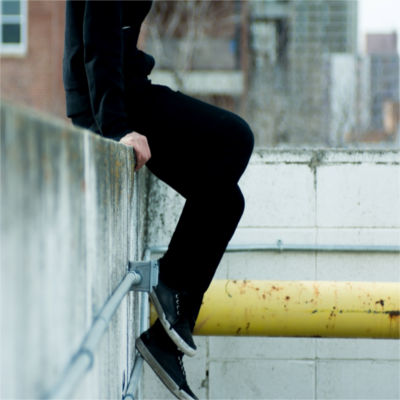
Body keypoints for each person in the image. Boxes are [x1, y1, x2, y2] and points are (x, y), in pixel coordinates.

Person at [63, 1, 254, 399]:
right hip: (115, 104)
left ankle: (165, 339)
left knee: (226, 202)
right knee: (234, 138)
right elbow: (97, 41)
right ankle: (171, 282)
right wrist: (117, 130)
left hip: (125, 92)